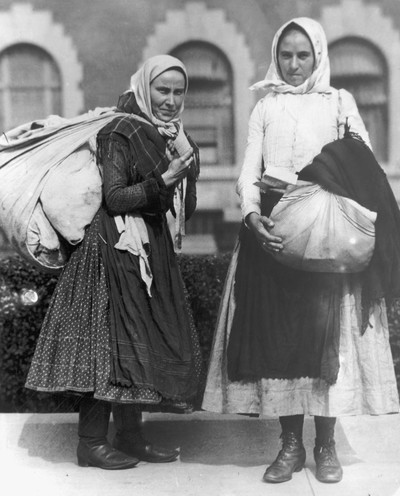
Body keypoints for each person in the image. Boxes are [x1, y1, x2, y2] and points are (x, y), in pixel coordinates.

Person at [202, 17, 400, 484]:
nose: (293, 65)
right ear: (277, 56)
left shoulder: (339, 101)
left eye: (302, 55)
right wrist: (252, 215)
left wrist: (311, 182)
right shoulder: (265, 108)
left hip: (326, 231)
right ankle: (289, 445)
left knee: (327, 338)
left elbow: (361, 162)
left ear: (318, 56)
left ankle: (325, 445)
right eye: (286, 55)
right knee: (279, 338)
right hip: (273, 233)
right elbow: (249, 172)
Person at [26, 55, 202, 470]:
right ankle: (90, 442)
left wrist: (187, 172)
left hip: (150, 248)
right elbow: (115, 196)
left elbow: (185, 211)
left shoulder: (174, 138)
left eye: (179, 92)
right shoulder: (120, 130)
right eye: (163, 90)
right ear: (145, 89)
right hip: (111, 246)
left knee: (140, 341)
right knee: (104, 342)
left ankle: (130, 436)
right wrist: (165, 179)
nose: (171, 100)